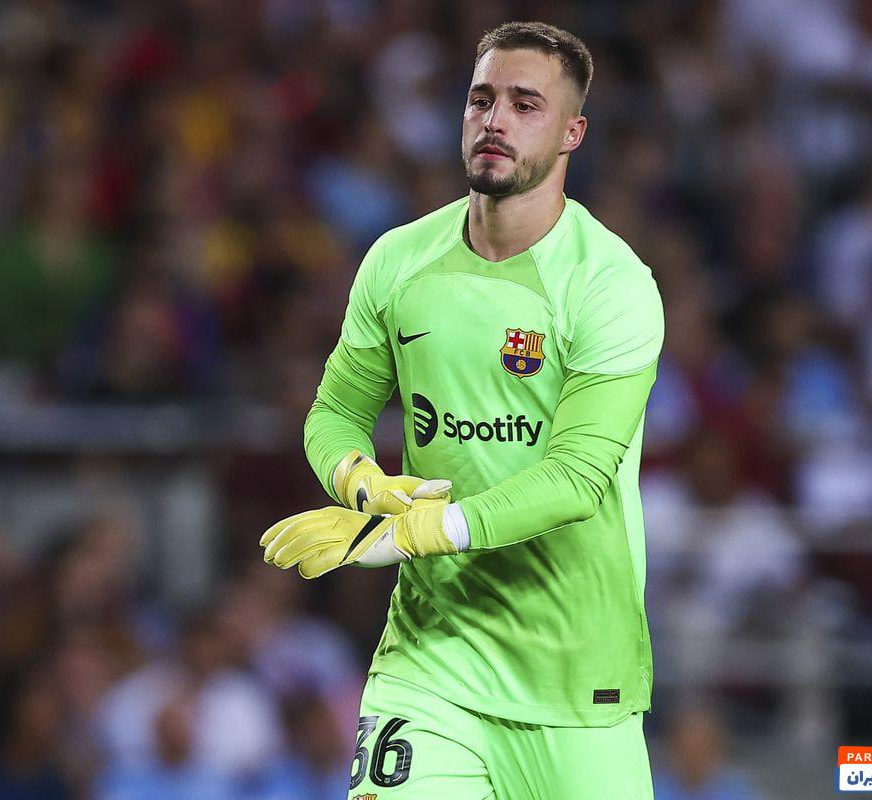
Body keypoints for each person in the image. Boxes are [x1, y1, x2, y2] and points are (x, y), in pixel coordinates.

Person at [261, 21, 664, 799]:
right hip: (431, 665)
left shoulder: (611, 284)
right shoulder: (398, 260)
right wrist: (359, 482)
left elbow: (578, 478)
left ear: (573, 132)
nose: (495, 120)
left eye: (525, 105)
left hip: (576, 680)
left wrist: (422, 530)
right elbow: (334, 412)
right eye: (481, 100)